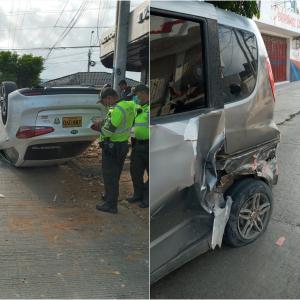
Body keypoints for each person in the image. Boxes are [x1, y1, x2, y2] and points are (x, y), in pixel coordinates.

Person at [94, 87, 136, 214]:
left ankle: (111, 205)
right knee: (115, 174)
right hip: (122, 144)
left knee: (110, 176)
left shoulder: (117, 110)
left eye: (104, 101)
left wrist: (98, 125)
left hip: (112, 146)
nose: (103, 104)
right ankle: (109, 196)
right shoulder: (128, 105)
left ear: (110, 98)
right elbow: (119, 123)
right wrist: (105, 120)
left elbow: (107, 131)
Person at [127, 84, 149, 208]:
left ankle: (147, 198)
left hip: (150, 145)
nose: (136, 96)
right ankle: (138, 194)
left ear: (144, 93)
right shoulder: (139, 108)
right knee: (135, 172)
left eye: (137, 94)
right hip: (137, 145)